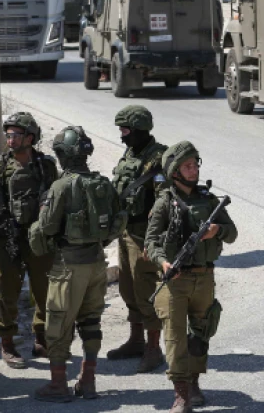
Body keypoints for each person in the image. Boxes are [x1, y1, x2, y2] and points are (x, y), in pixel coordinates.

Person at [30, 126, 126, 402]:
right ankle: (88, 380)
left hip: (69, 266)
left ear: (64, 155)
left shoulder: (61, 186)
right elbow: (118, 220)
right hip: (97, 262)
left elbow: (47, 227)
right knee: (91, 321)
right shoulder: (102, 184)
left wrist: (37, 222)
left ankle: (59, 385)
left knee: (58, 324)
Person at [146, 141, 237, 413]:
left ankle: (195, 383)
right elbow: (151, 242)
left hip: (204, 277)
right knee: (175, 338)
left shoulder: (209, 201)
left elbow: (232, 234)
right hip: (173, 281)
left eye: (195, 164)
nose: (193, 169)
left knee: (200, 333)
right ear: (175, 170)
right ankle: (181, 394)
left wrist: (216, 230)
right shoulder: (164, 202)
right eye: (187, 165)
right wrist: (163, 263)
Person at [0, 112, 58, 368]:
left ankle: (41, 338)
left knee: (44, 291)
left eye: (16, 135)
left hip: (38, 239)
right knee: (5, 292)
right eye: (8, 134)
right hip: (7, 240)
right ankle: (8, 344)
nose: (10, 139)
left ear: (30, 137)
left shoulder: (46, 166)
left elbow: (57, 198)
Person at [106, 105, 167, 373]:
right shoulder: (131, 152)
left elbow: (164, 200)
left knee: (146, 292)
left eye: (126, 130)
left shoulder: (159, 158)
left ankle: (154, 348)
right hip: (125, 231)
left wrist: (153, 239)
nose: (122, 136)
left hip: (145, 236)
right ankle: (136, 340)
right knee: (128, 289)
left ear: (140, 129)